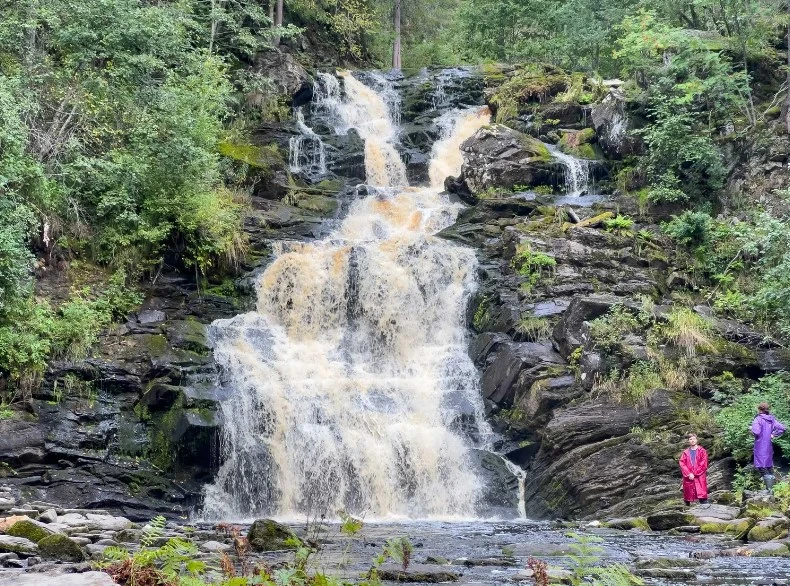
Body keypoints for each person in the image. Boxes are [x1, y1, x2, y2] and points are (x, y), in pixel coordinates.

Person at [751, 402, 786, 491]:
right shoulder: (771, 419)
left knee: (761, 466)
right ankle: (774, 489)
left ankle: (769, 490)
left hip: (760, 446)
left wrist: (751, 430)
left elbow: (756, 431)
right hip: (768, 446)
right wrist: (773, 434)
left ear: (759, 409)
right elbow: (782, 428)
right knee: (769, 466)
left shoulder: (758, 419)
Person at [679, 433, 709, 506]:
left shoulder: (702, 451)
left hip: (699, 475)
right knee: (688, 495)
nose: (692, 440)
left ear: (696, 440)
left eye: (694, 439)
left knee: (701, 494)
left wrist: (694, 473)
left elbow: (703, 464)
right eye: (690, 439)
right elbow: (682, 463)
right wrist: (689, 473)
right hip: (688, 476)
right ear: (688, 441)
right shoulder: (685, 452)